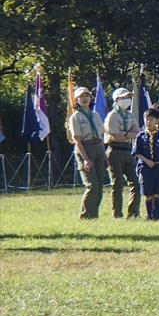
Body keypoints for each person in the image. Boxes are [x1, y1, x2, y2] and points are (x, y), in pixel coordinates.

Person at [68, 87, 107, 219]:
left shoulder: (95, 115)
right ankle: (85, 215)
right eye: (81, 96)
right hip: (85, 148)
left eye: (87, 96)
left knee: (100, 183)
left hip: (98, 147)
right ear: (77, 100)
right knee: (92, 185)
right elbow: (77, 140)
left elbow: (101, 136)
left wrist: (104, 154)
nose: (84, 98)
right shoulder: (76, 117)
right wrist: (85, 159)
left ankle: (94, 214)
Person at [104, 87, 141, 219]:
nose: (127, 100)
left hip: (128, 150)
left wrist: (124, 133)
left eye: (128, 98)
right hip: (115, 150)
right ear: (116, 100)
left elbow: (138, 133)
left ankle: (134, 212)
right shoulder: (112, 116)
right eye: (123, 98)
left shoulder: (130, 115)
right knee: (118, 182)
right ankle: (117, 213)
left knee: (135, 183)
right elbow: (115, 136)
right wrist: (128, 134)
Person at [132, 108, 159, 220]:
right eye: (146, 119)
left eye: (151, 119)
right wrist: (147, 160)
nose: (148, 122)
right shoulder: (140, 136)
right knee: (148, 193)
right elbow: (136, 152)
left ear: (157, 121)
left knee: (158, 192)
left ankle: (157, 215)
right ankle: (149, 214)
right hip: (146, 168)